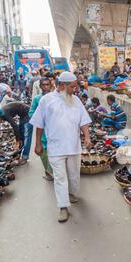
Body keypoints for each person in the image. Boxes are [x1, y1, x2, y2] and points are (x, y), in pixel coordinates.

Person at [29, 72, 93, 223]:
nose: (75, 89)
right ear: (62, 86)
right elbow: (39, 124)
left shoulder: (76, 100)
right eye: (72, 87)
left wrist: (88, 137)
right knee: (60, 177)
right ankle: (63, 207)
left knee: (73, 175)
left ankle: (71, 193)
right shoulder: (46, 100)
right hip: (56, 147)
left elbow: (83, 120)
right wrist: (38, 143)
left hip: (74, 145)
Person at [29, 77, 54, 181]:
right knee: (43, 152)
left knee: (54, 152)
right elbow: (31, 113)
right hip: (42, 131)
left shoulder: (55, 97)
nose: (45, 87)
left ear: (50, 85)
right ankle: (48, 172)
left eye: (47, 84)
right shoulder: (37, 99)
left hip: (54, 130)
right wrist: (40, 117)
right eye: (43, 85)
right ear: (40, 86)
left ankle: (52, 173)